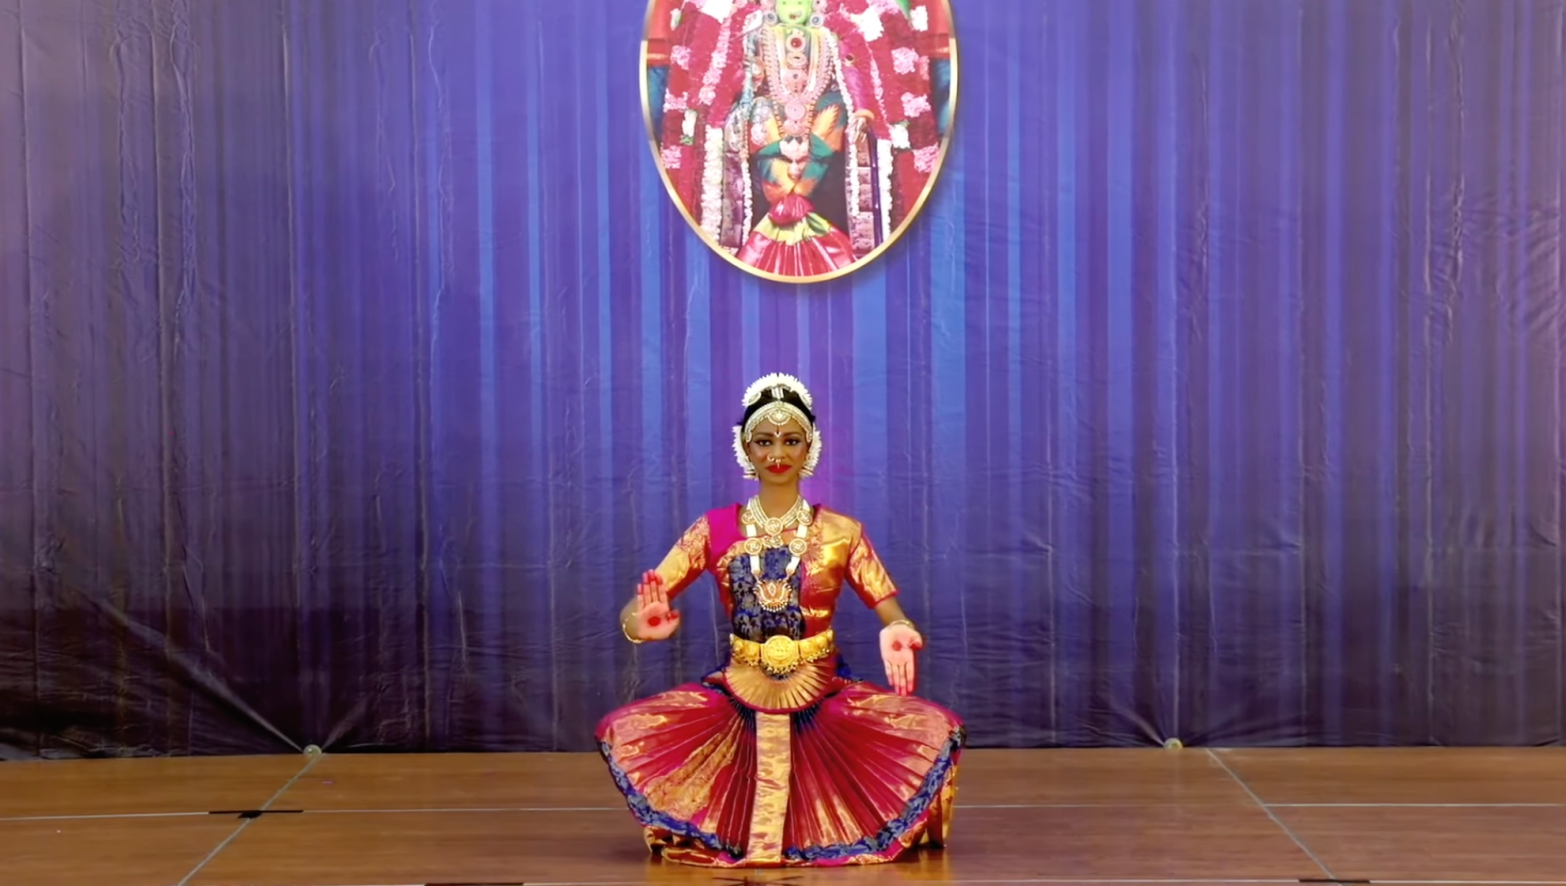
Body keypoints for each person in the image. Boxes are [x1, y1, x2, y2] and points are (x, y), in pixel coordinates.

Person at [596, 373, 965, 868]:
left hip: (822, 692)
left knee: (937, 728)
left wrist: (897, 629)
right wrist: (637, 624)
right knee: (624, 728)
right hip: (738, 693)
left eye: (791, 440)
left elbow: (889, 607)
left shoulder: (841, 532)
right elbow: (640, 604)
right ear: (745, 448)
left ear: (809, 446)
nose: (778, 452)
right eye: (764, 440)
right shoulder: (713, 529)